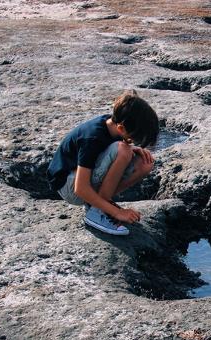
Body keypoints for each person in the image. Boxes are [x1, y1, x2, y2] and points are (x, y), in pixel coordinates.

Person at [46, 90, 158, 235]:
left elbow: (112, 147)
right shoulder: (92, 137)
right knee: (124, 150)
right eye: (132, 138)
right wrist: (117, 212)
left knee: (145, 163)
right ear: (121, 128)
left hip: (81, 182)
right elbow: (80, 188)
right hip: (68, 185)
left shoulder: (113, 125)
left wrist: (134, 149)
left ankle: (100, 205)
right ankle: (97, 212)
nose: (132, 142)